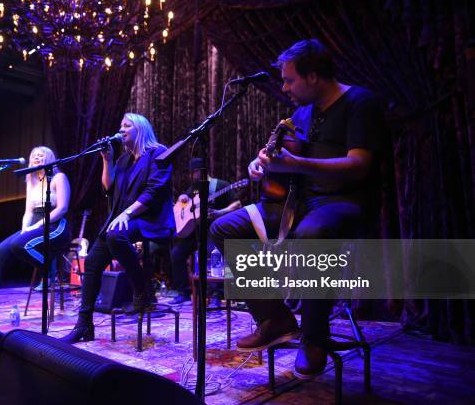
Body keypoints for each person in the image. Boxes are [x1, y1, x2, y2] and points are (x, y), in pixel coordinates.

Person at [210, 39, 384, 379]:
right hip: (298, 202)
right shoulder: (303, 114)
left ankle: (314, 338)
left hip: (345, 204)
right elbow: (286, 159)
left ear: (314, 76)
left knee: (312, 233)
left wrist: (298, 164)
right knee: (223, 228)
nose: (285, 88)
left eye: (290, 80)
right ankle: (274, 317)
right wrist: (259, 166)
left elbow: (359, 164)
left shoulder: (360, 102)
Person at [60, 113, 174, 343]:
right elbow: (109, 190)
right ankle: (84, 325)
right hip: (122, 219)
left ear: (140, 129)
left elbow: (154, 193)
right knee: (92, 262)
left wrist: (128, 213)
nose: (121, 129)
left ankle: (142, 289)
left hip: (148, 218)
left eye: (127, 126)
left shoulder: (158, 152)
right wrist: (106, 160)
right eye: (120, 125)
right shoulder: (123, 160)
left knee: (115, 235)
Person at [0, 146, 71, 321]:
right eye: (34, 156)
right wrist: (25, 228)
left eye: (41, 155)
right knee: (0, 251)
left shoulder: (59, 178)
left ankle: (49, 270)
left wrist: (40, 224)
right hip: (35, 225)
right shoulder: (31, 180)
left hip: (56, 226)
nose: (36, 158)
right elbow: (28, 212)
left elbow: (63, 208)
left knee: (18, 244)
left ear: (49, 158)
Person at [168, 158, 241, 305]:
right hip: (195, 232)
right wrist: (183, 198)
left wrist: (219, 212)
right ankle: (184, 292)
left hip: (213, 231)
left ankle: (216, 295)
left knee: (213, 255)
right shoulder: (194, 188)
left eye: (193, 172)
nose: (191, 176)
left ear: (200, 171)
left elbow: (237, 204)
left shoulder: (220, 185)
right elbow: (184, 203)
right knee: (176, 253)